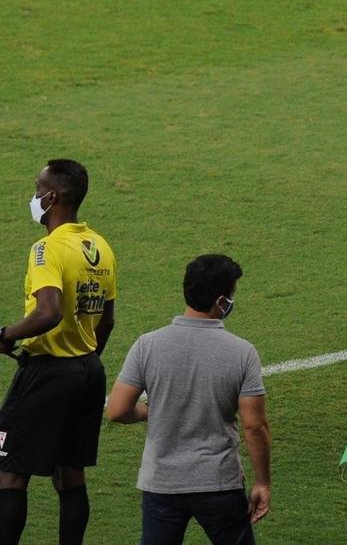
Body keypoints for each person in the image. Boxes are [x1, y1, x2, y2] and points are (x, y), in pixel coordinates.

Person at [107, 254, 271, 544]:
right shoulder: (242, 352)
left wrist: (150, 411)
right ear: (221, 301)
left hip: (161, 483)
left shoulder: (148, 345)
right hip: (218, 482)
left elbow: (117, 410)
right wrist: (262, 482)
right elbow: (254, 427)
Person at [0, 159, 116, 544]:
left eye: (37, 189)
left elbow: (48, 313)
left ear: (52, 197)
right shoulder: (100, 245)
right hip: (88, 372)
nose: (34, 196)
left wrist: (6, 333)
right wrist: (81, 357)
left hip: (46, 374)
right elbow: (108, 321)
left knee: (9, 473)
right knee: (70, 476)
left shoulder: (45, 250)